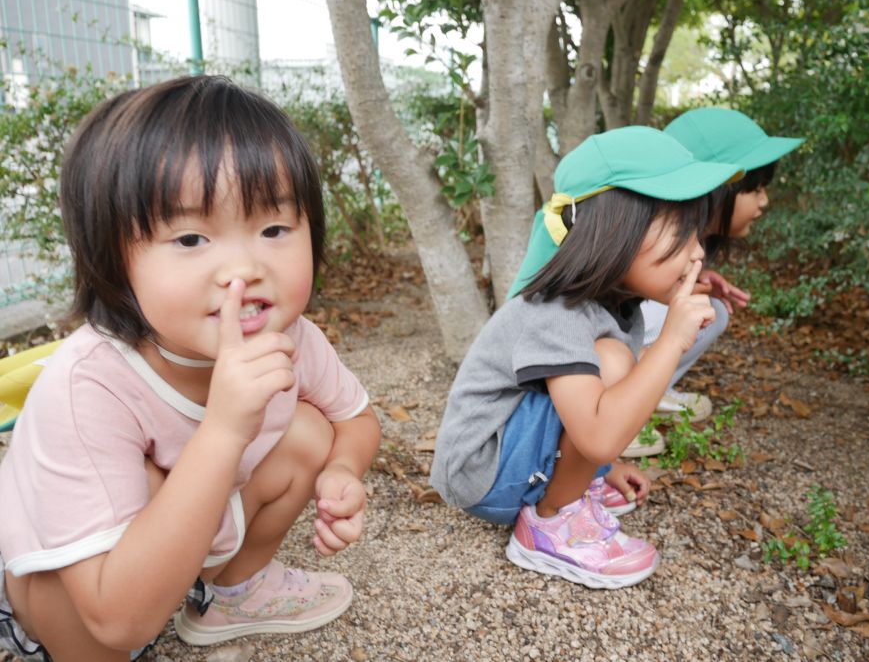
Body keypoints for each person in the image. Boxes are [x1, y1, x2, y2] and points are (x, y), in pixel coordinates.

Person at [0, 76, 381, 661]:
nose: (244, 268)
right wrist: (226, 428)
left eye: (274, 229)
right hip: (74, 601)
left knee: (310, 431)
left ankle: (231, 594)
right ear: (112, 258)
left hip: (182, 539)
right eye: (191, 238)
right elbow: (114, 622)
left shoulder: (293, 338)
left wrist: (344, 470)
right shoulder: (90, 385)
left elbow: (356, 420)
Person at [430, 126, 743, 589]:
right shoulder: (557, 310)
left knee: (616, 367)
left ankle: (570, 490)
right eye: (682, 229)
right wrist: (672, 340)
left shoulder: (616, 305)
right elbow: (596, 431)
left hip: (514, 459)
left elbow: (588, 421)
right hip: (481, 471)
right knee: (614, 363)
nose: (697, 249)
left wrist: (603, 468)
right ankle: (551, 523)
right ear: (615, 228)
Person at [623, 107, 804, 458]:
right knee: (688, 310)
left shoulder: (687, 233)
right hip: (579, 367)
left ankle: (646, 394)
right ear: (720, 188)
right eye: (756, 188)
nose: (764, 201)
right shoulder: (651, 232)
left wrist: (692, 279)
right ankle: (617, 409)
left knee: (713, 311)